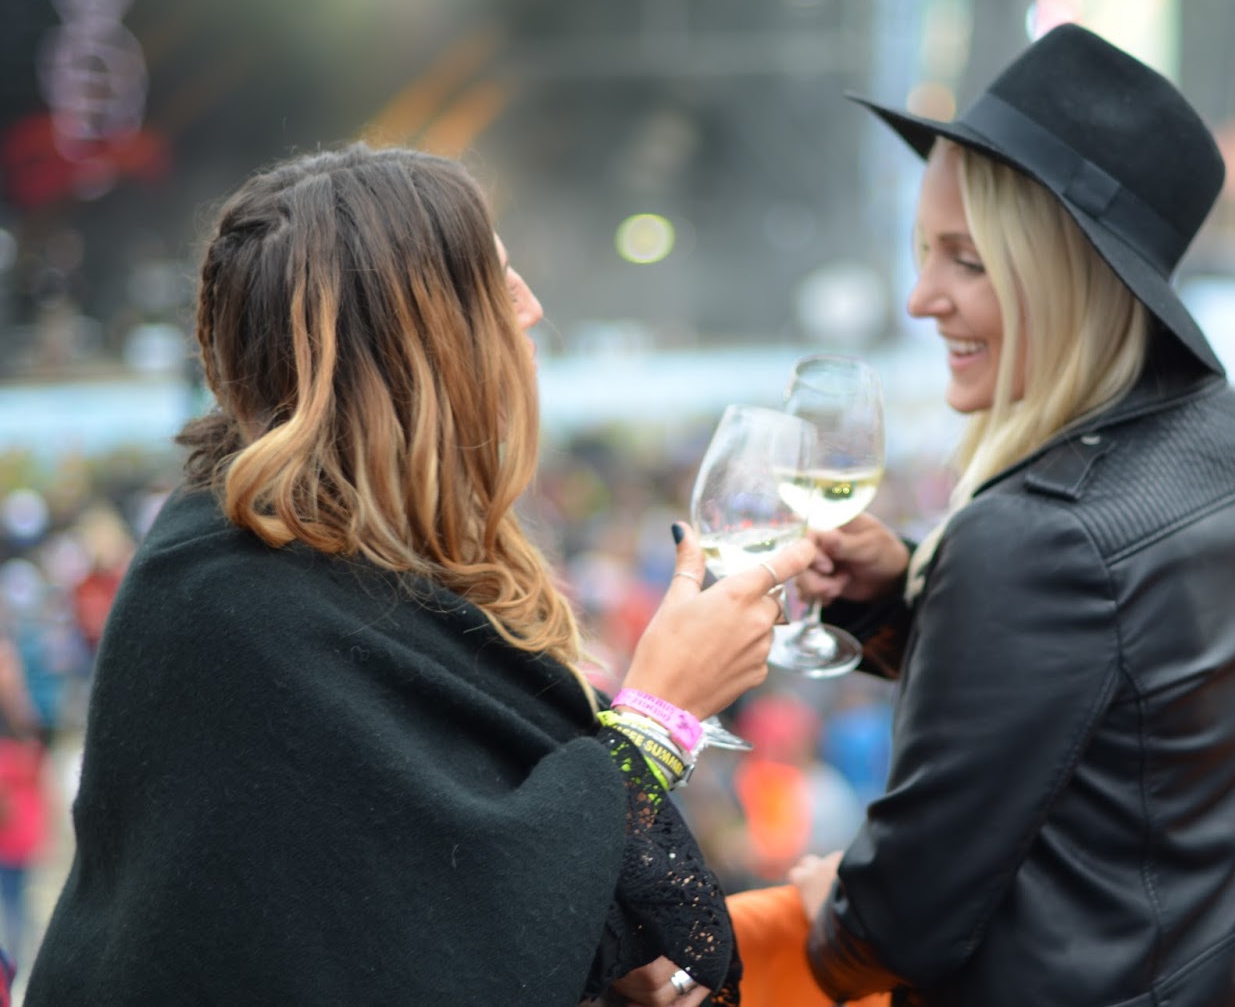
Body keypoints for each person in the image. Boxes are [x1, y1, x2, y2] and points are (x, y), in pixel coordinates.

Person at [24, 144, 815, 1006]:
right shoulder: (232, 604)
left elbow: (423, 892)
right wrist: (662, 716)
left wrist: (604, 951)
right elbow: (431, 953)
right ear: (416, 347)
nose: (533, 308)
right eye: (498, 286)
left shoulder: (350, 555)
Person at [785, 23, 1235, 1006]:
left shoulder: (1035, 535)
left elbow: (900, 923)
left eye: (966, 261)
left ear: (1062, 275)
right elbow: (1134, 711)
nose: (921, 298)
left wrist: (829, 917)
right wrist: (907, 589)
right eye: (924, 253)